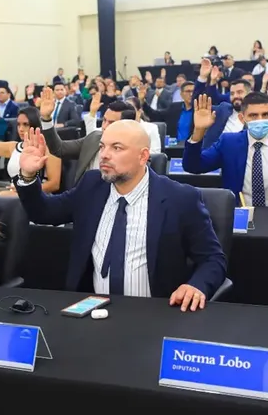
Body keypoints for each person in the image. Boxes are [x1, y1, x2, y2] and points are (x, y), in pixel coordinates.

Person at [14, 122, 227, 309]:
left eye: (116, 148)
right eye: (102, 147)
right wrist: (29, 176)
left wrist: (196, 286)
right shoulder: (91, 185)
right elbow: (44, 212)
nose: (104, 155)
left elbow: (212, 259)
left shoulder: (180, 198)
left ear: (143, 156)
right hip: (92, 309)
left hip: (158, 313)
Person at [185, 92, 268, 211]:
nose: (260, 120)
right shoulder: (228, 143)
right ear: (242, 118)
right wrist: (199, 131)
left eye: (265, 115)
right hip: (239, 216)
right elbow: (193, 166)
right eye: (253, 115)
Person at [41, 93, 136, 185]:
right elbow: (59, 148)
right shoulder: (93, 138)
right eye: (104, 120)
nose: (104, 126)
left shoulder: (135, 153)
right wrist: (46, 119)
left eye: (111, 123)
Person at [0, 101, 61, 195]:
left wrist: (23, 190)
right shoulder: (14, 147)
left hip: (38, 196)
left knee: (1, 196)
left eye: (25, 124)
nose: (21, 129)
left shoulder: (50, 149)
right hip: (14, 193)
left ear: (36, 125)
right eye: (18, 124)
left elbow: (54, 184)